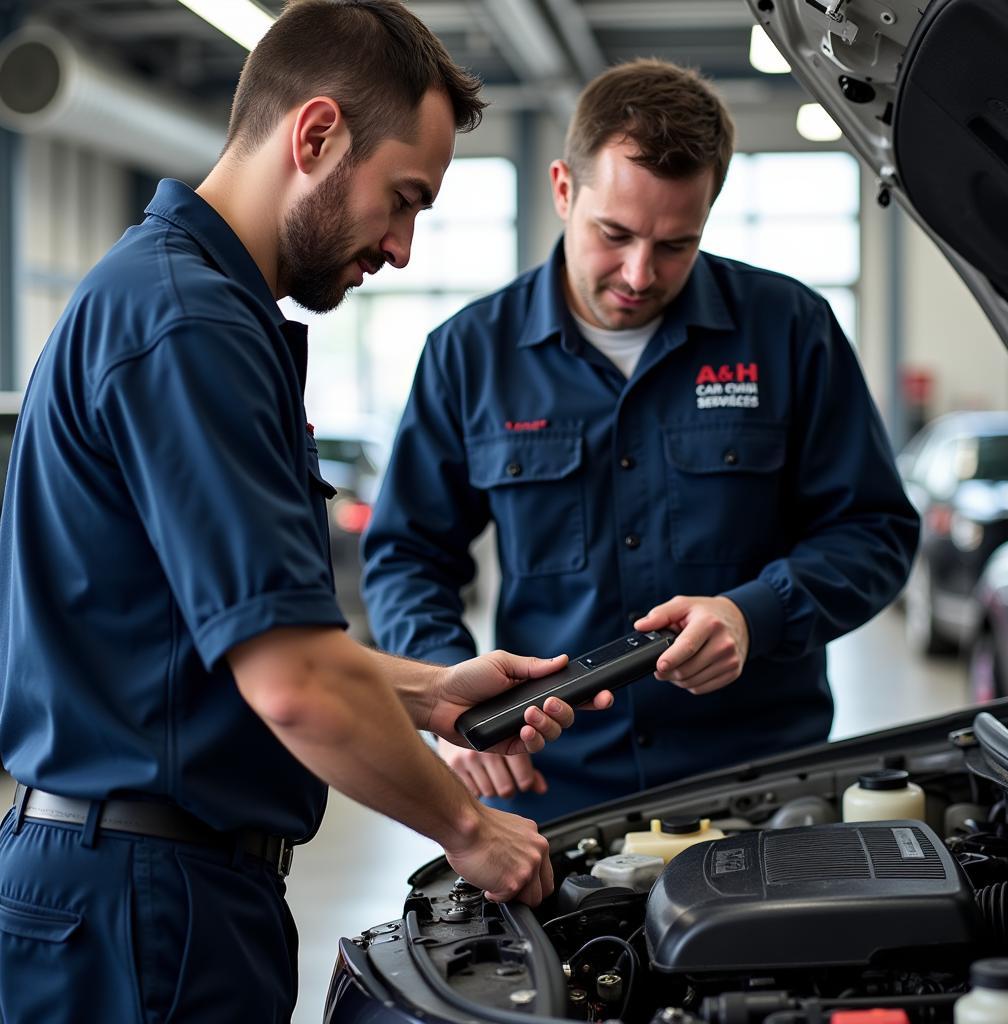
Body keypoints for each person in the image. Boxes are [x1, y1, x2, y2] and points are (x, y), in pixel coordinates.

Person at [0, 3, 613, 1021]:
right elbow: (292, 685)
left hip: (143, 886)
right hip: (145, 905)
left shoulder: (178, 302)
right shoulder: (188, 323)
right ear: (316, 134)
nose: (405, 247)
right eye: (401, 199)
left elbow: (224, 643)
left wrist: (432, 691)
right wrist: (469, 827)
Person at [362, 58, 920, 821]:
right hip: (554, 791)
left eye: (675, 245)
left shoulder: (791, 330)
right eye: (614, 234)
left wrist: (755, 613)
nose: (637, 272)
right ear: (564, 188)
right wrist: (444, 693)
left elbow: (875, 532)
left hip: (761, 785)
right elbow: (408, 557)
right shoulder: (469, 355)